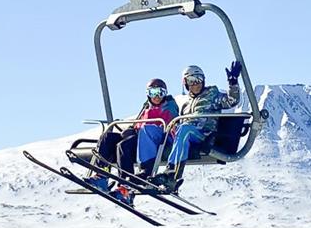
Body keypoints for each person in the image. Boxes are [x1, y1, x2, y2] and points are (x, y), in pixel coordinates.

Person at [151, 61, 241, 190]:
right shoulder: (186, 104)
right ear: (185, 83)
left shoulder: (212, 95)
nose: (196, 84)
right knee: (174, 131)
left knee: (185, 129)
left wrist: (233, 83)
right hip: (186, 134)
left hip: (204, 134)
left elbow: (232, 101)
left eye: (199, 79)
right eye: (191, 80)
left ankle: (172, 175)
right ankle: (151, 174)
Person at [86, 78, 179, 202]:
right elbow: (138, 122)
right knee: (107, 137)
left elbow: (169, 126)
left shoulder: (169, 107)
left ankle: (125, 186)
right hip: (138, 134)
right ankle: (102, 173)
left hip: (152, 140)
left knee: (124, 145)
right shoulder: (146, 107)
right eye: (153, 93)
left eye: (160, 93)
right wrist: (130, 129)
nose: (156, 96)